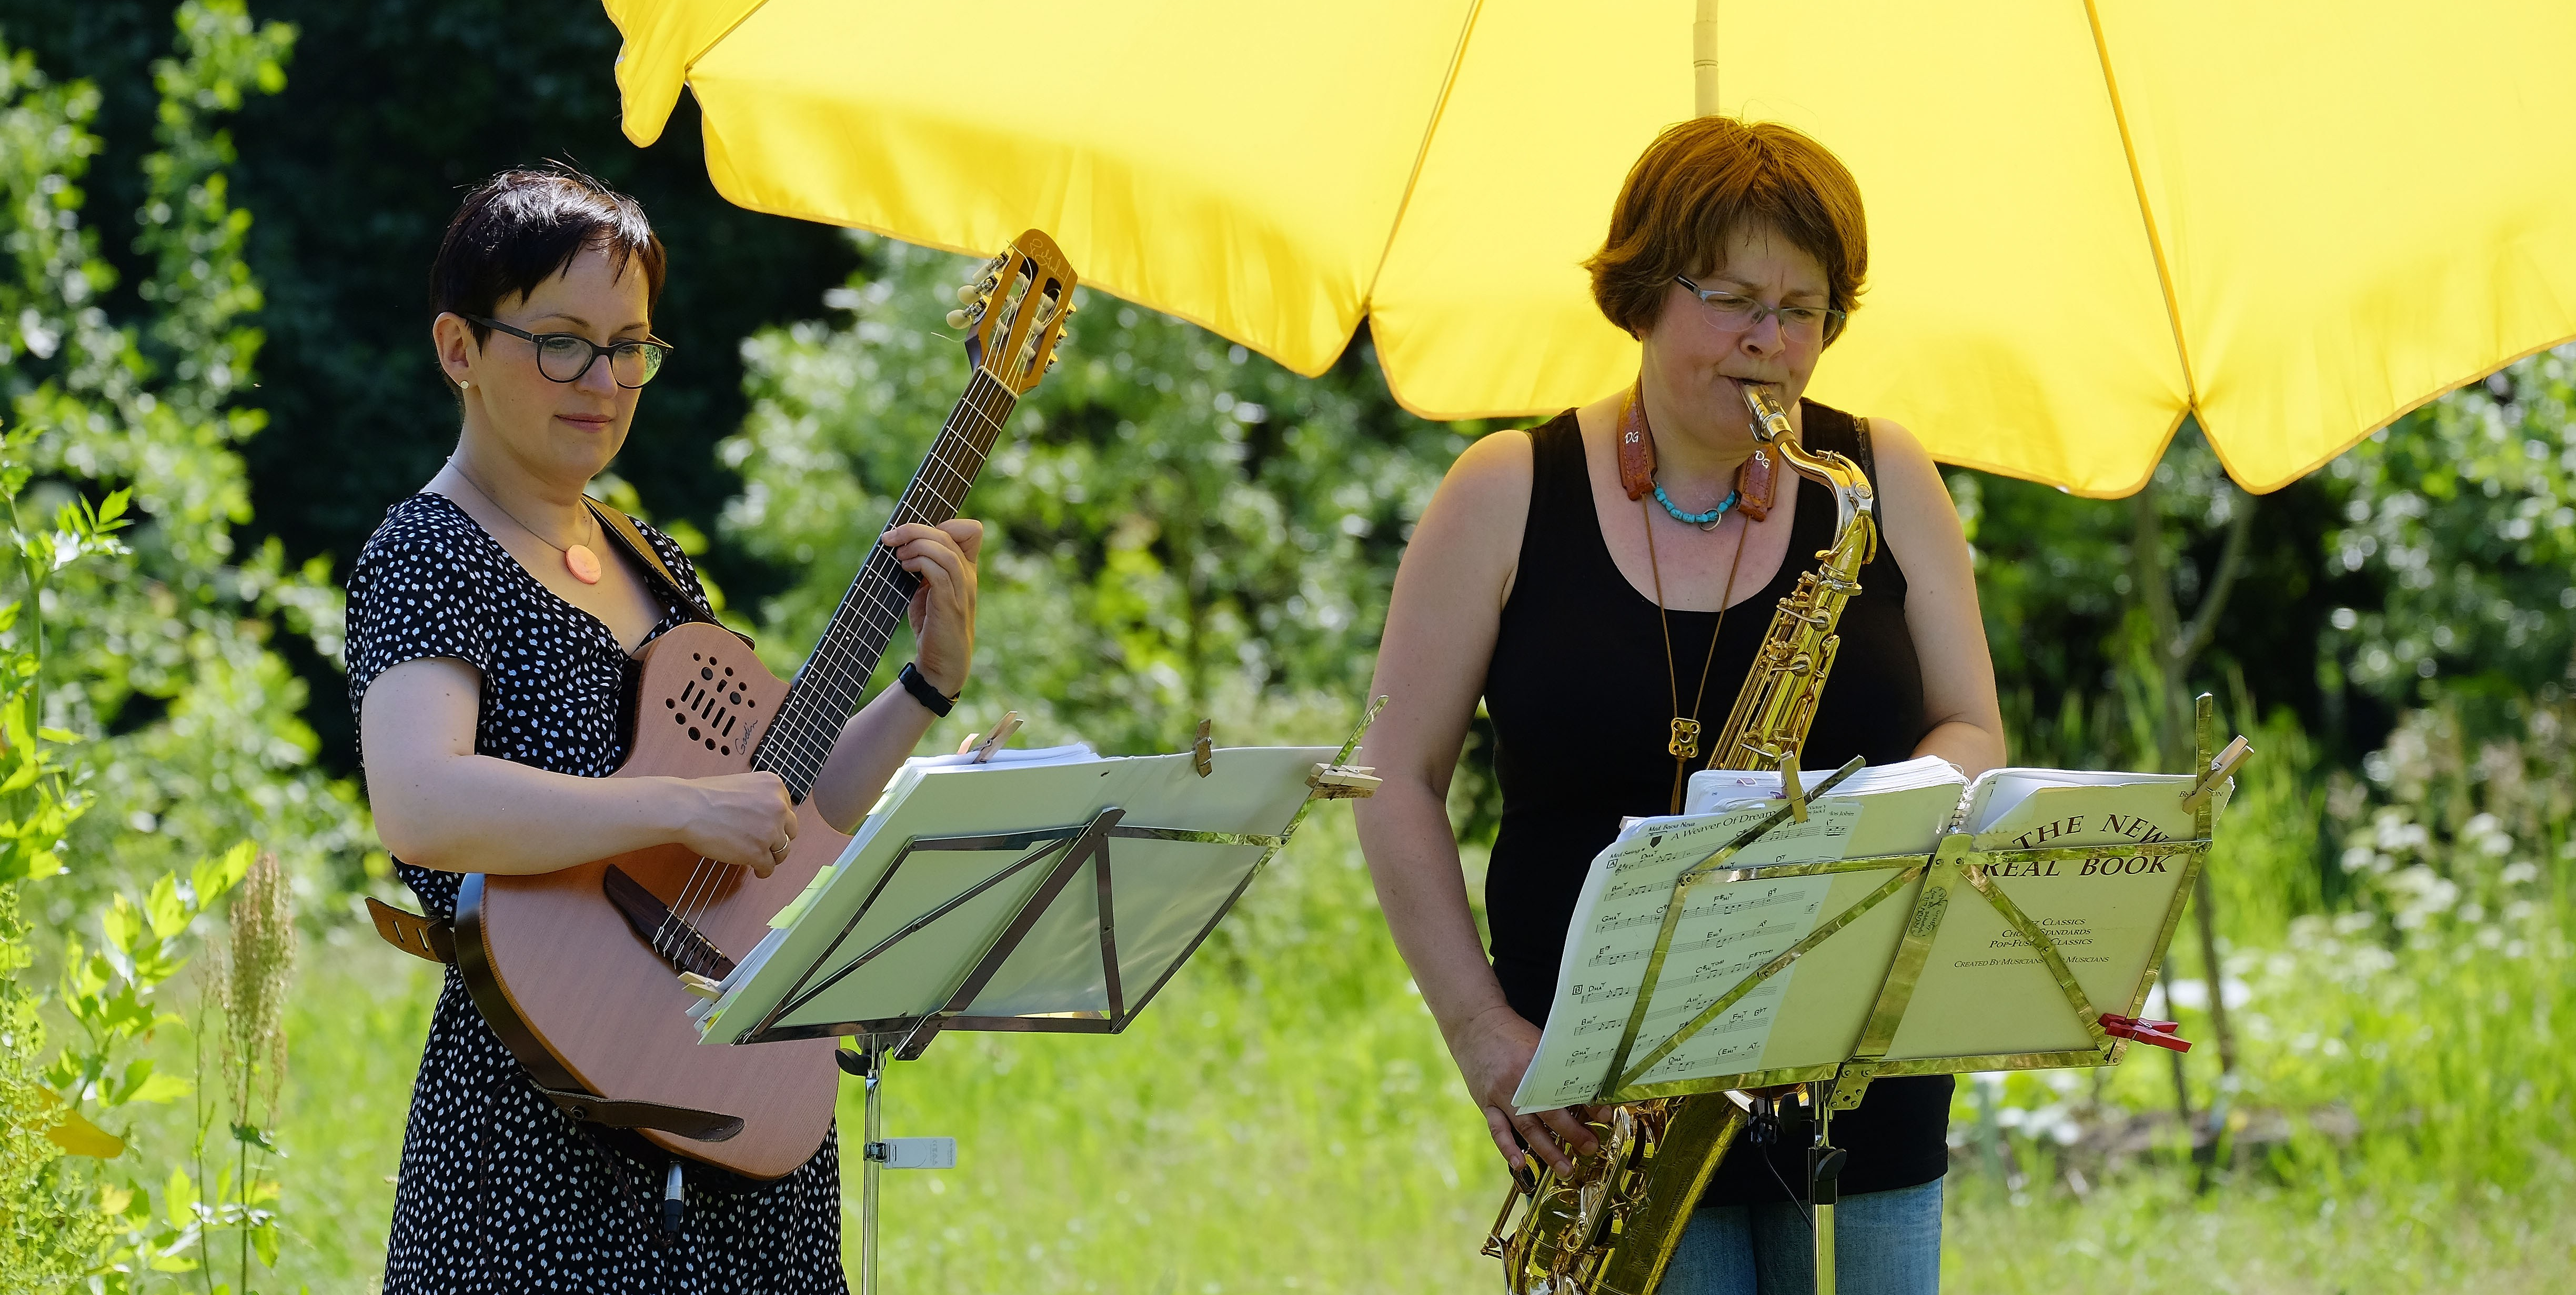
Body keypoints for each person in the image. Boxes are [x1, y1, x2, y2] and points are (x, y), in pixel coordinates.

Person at [1354, 118, 2004, 1294]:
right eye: (1733, 299)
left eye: (1803, 310)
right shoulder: (1505, 490)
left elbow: (1970, 727)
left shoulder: (1880, 476)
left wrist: (1882, 812)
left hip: (1859, 1064)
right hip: (1611, 1094)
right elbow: (1392, 777)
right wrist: (1481, 1032)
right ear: (1646, 291)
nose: (1772, 345)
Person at [346, 165, 980, 1292]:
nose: (603, 379)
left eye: (630, 345)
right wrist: (678, 806)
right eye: (561, 342)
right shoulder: (428, 550)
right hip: (545, 1125)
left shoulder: (652, 558)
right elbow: (422, 800)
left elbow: (791, 810)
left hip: (740, 1109)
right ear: (458, 348)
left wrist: (926, 686)